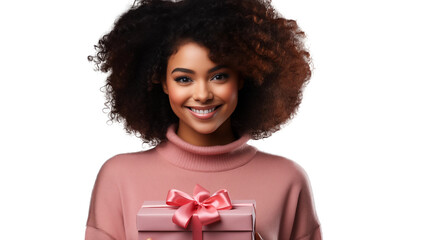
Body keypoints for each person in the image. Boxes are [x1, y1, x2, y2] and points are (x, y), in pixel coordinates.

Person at [85, 0, 321, 239]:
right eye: (184, 79)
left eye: (218, 76)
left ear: (242, 77)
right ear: (162, 82)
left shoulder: (288, 180)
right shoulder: (118, 177)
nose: (202, 95)